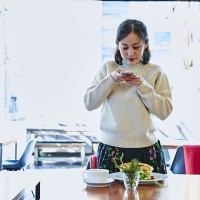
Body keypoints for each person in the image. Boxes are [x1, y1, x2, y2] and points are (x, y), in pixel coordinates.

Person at [84, 19, 173, 174]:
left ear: (146, 44)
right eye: (124, 47)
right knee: (110, 198)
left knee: (151, 198)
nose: (130, 53)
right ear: (117, 45)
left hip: (147, 149)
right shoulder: (108, 68)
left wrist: (142, 86)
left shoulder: (157, 72)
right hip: (112, 149)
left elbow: (164, 112)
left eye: (136, 47)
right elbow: (89, 103)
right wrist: (111, 80)